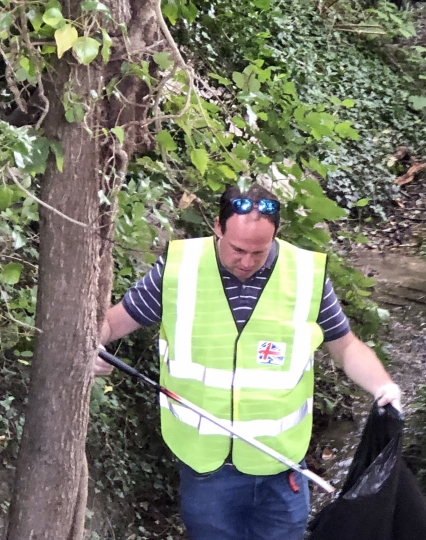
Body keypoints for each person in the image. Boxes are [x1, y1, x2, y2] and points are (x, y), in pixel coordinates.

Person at [93, 183, 402, 540]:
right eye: (238, 249)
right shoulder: (179, 269)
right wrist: (86, 349)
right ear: (218, 227)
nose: (247, 262)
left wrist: (383, 385)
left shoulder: (305, 276)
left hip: (282, 469)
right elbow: (113, 322)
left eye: (259, 251)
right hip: (207, 470)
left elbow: (346, 348)